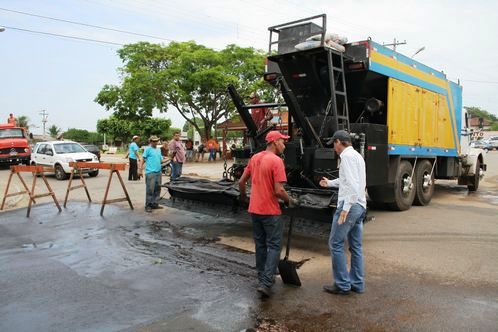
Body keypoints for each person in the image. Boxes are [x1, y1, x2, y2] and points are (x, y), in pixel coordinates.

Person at [239, 131, 298, 298]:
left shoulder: (255, 158)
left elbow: (241, 181)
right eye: (282, 141)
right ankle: (266, 282)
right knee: (274, 246)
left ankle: (262, 278)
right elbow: (278, 190)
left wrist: (244, 197)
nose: (284, 145)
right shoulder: (276, 161)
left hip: (255, 210)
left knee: (260, 244)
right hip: (270, 212)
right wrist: (289, 200)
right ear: (274, 142)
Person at [319, 130, 367, 295]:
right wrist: (330, 183)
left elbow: (353, 186)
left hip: (350, 206)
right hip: (360, 205)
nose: (334, 147)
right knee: (356, 246)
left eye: (334, 143)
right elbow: (350, 181)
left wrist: (345, 209)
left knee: (336, 244)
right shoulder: (357, 156)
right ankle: (357, 284)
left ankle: (342, 284)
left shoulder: (346, 157)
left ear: (339, 142)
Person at [140, 135, 164, 213]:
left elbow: (161, 161)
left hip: (158, 172)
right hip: (150, 173)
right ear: (150, 141)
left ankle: (155, 204)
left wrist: (170, 158)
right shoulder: (147, 149)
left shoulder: (158, 150)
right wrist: (140, 169)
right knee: (150, 190)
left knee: (157, 189)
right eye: (153, 141)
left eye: (156, 141)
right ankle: (148, 205)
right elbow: (142, 159)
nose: (155, 142)